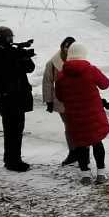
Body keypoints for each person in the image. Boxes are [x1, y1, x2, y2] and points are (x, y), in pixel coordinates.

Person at [54, 42, 109, 179]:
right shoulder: (91, 70)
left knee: (80, 144)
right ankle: (101, 173)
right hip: (93, 114)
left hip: (74, 115)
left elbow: (59, 96)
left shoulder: (62, 75)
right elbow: (105, 84)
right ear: (83, 54)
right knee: (97, 142)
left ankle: (85, 174)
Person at [0, 26, 35, 172]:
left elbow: (29, 68)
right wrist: (17, 56)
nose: (11, 40)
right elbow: (6, 73)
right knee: (12, 130)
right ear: (1, 38)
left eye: (11, 37)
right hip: (8, 99)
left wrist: (23, 56)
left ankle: (13, 159)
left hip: (17, 97)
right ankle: (12, 161)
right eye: (8, 37)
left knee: (17, 129)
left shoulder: (9, 52)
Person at [41, 36, 77, 165]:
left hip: (78, 100)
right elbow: (47, 82)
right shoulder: (53, 63)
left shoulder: (79, 60)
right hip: (61, 100)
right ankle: (73, 152)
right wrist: (49, 101)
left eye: (70, 46)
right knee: (69, 126)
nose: (67, 49)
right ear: (62, 46)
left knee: (80, 126)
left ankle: (82, 151)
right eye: (65, 46)